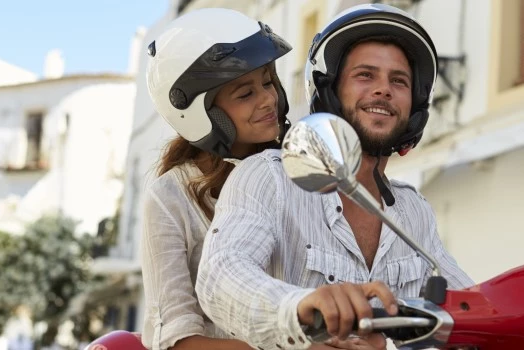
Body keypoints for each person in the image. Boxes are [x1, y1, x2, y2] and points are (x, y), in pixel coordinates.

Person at [195, 4, 474, 349]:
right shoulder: (271, 176)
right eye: (365, 75)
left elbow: (471, 304)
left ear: (414, 107)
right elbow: (222, 274)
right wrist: (299, 307)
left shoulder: (414, 210)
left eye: (398, 81)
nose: (384, 89)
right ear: (329, 91)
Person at [140, 7, 299, 350]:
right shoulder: (170, 196)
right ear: (199, 112)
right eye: (245, 94)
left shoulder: (298, 172)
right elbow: (178, 339)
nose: (268, 99)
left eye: (268, 82)